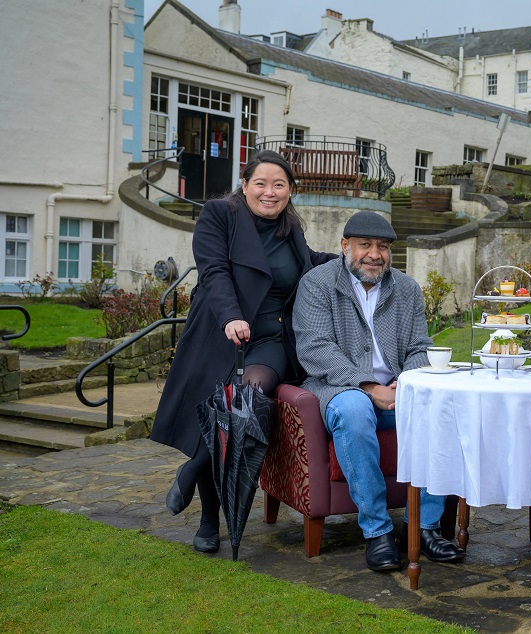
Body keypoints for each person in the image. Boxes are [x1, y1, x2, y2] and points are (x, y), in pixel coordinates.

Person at [151, 150, 337, 553]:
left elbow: (308, 264)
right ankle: (207, 523)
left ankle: (193, 467)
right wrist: (232, 317)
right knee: (214, 415)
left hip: (270, 341)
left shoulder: (291, 228)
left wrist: (353, 257)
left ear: (290, 190)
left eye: (279, 185)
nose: (269, 193)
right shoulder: (220, 214)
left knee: (244, 403)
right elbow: (214, 271)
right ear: (245, 184)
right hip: (220, 334)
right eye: (261, 183)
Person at [292, 211, 465, 572]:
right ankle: (377, 531)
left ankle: (426, 528)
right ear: (345, 246)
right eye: (365, 245)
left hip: (400, 389)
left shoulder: (406, 288)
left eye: (383, 247)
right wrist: (370, 387)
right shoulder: (317, 284)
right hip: (338, 387)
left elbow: (420, 346)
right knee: (355, 410)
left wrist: (407, 382)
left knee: (446, 407)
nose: (374, 254)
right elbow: (316, 348)